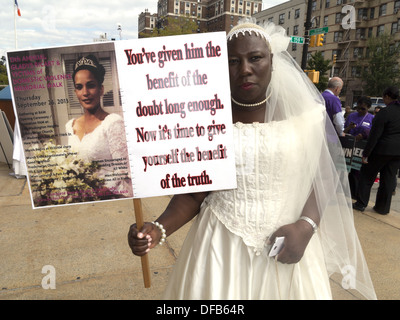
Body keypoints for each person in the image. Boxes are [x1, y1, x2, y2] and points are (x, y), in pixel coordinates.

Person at [128, 20, 376, 300]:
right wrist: (157, 230)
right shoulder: (206, 120)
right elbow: (195, 194)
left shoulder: (305, 115)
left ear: (272, 60)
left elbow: (324, 175)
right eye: (233, 61)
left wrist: (306, 226)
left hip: (290, 245)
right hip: (220, 251)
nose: (244, 69)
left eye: (255, 58)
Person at [66, 54, 133, 199]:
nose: (85, 93)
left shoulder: (112, 122)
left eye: (91, 85)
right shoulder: (70, 126)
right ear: (75, 92)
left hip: (112, 198)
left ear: (101, 89)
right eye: (79, 87)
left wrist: (97, 191)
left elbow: (124, 171)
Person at [353, 86, 400, 214]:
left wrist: (366, 153)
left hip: (381, 150)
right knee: (389, 179)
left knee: (367, 176)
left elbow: (375, 135)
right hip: (397, 152)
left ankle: (361, 203)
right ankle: (382, 208)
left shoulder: (385, 112)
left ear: (387, 97)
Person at [343, 96, 374, 198]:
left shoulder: (371, 118)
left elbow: (374, 133)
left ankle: (356, 194)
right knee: (348, 170)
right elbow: (343, 131)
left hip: (361, 148)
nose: (360, 111)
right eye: (358, 108)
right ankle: (348, 192)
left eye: (363, 109)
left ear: (368, 108)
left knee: (358, 172)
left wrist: (364, 135)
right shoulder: (351, 116)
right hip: (349, 146)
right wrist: (349, 128)